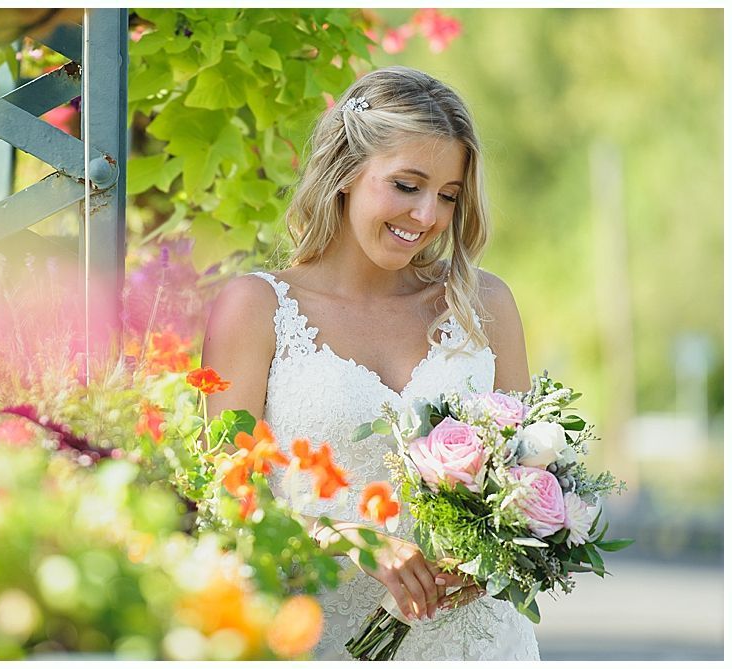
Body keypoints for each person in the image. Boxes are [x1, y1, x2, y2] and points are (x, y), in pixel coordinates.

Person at [201, 66, 540, 660]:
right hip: (314, 634)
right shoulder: (254, 308)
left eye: (449, 195)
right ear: (346, 172)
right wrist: (350, 539)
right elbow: (228, 508)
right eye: (407, 186)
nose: (428, 216)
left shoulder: (485, 305)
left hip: (475, 643)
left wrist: (494, 556)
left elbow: (528, 476)